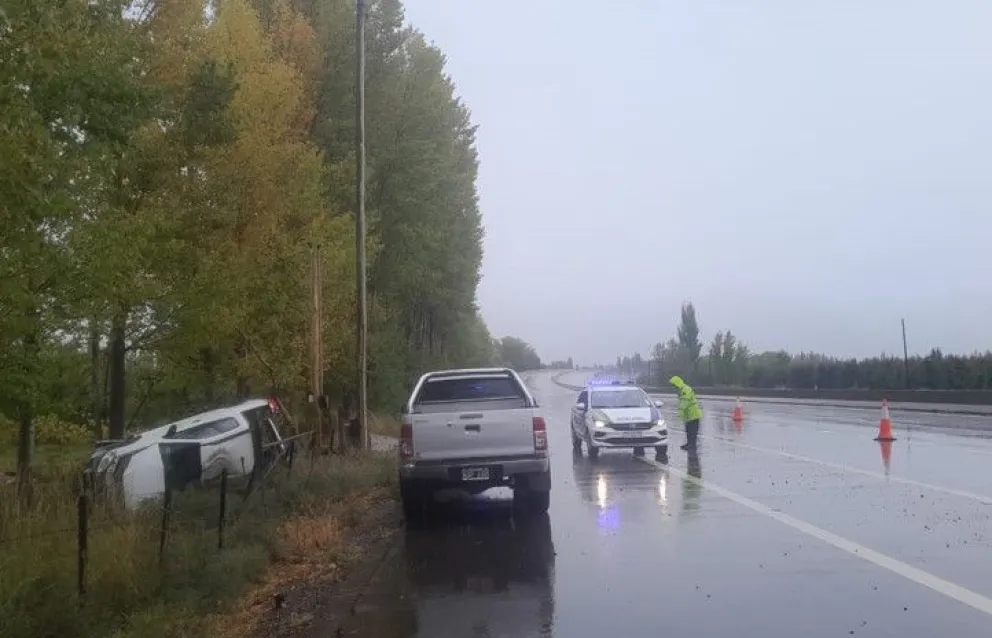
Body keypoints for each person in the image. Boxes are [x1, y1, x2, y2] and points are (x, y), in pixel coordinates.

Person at [669, 375, 703, 451]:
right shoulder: (681, 390)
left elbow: (684, 402)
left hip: (693, 414)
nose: (674, 387)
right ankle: (689, 444)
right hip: (688, 415)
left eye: (674, 385)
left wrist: (680, 413)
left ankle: (692, 445)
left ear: (677, 383)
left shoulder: (685, 389)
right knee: (688, 430)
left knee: (692, 431)